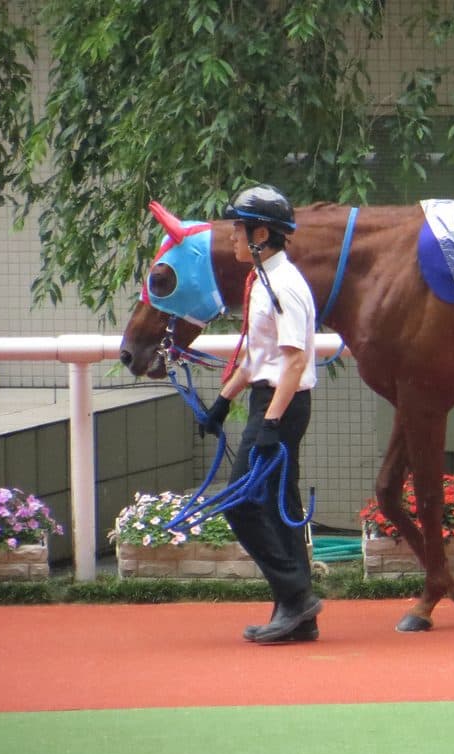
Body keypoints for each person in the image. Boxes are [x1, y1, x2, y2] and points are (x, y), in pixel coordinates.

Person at [200, 184, 321, 644]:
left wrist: (270, 424)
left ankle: (296, 596)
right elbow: (258, 357)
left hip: (281, 406)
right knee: (279, 505)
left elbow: (293, 362)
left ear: (262, 234)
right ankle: (299, 616)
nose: (232, 237)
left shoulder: (284, 285)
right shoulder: (262, 282)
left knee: (241, 502)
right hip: (270, 400)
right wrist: (223, 402)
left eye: (239, 228)